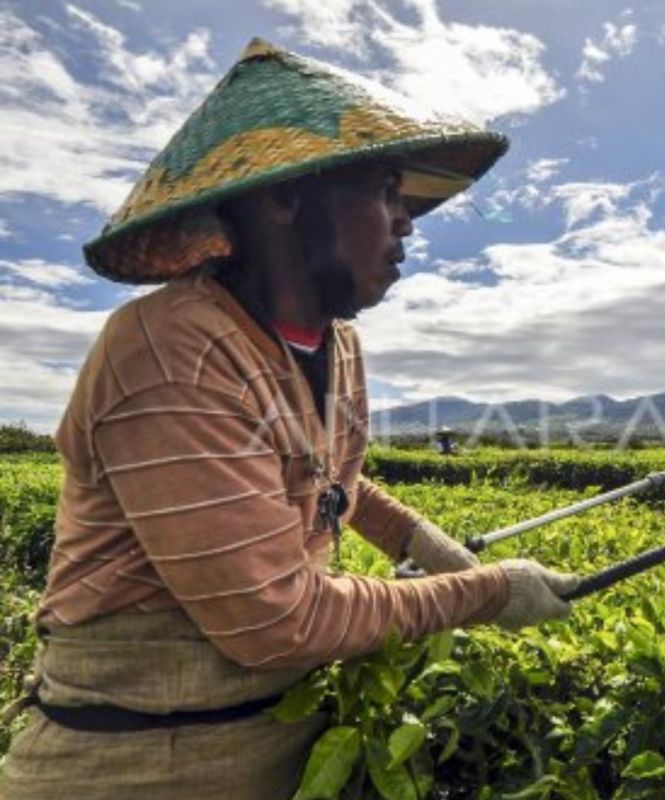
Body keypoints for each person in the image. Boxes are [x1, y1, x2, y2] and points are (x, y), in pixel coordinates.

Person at [0, 39, 578, 800]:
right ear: (282, 198)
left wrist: (422, 543)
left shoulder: (335, 342)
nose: (407, 223)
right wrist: (487, 592)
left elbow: (329, 475)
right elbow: (275, 620)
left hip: (278, 738)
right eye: (385, 192)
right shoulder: (174, 352)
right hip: (138, 761)